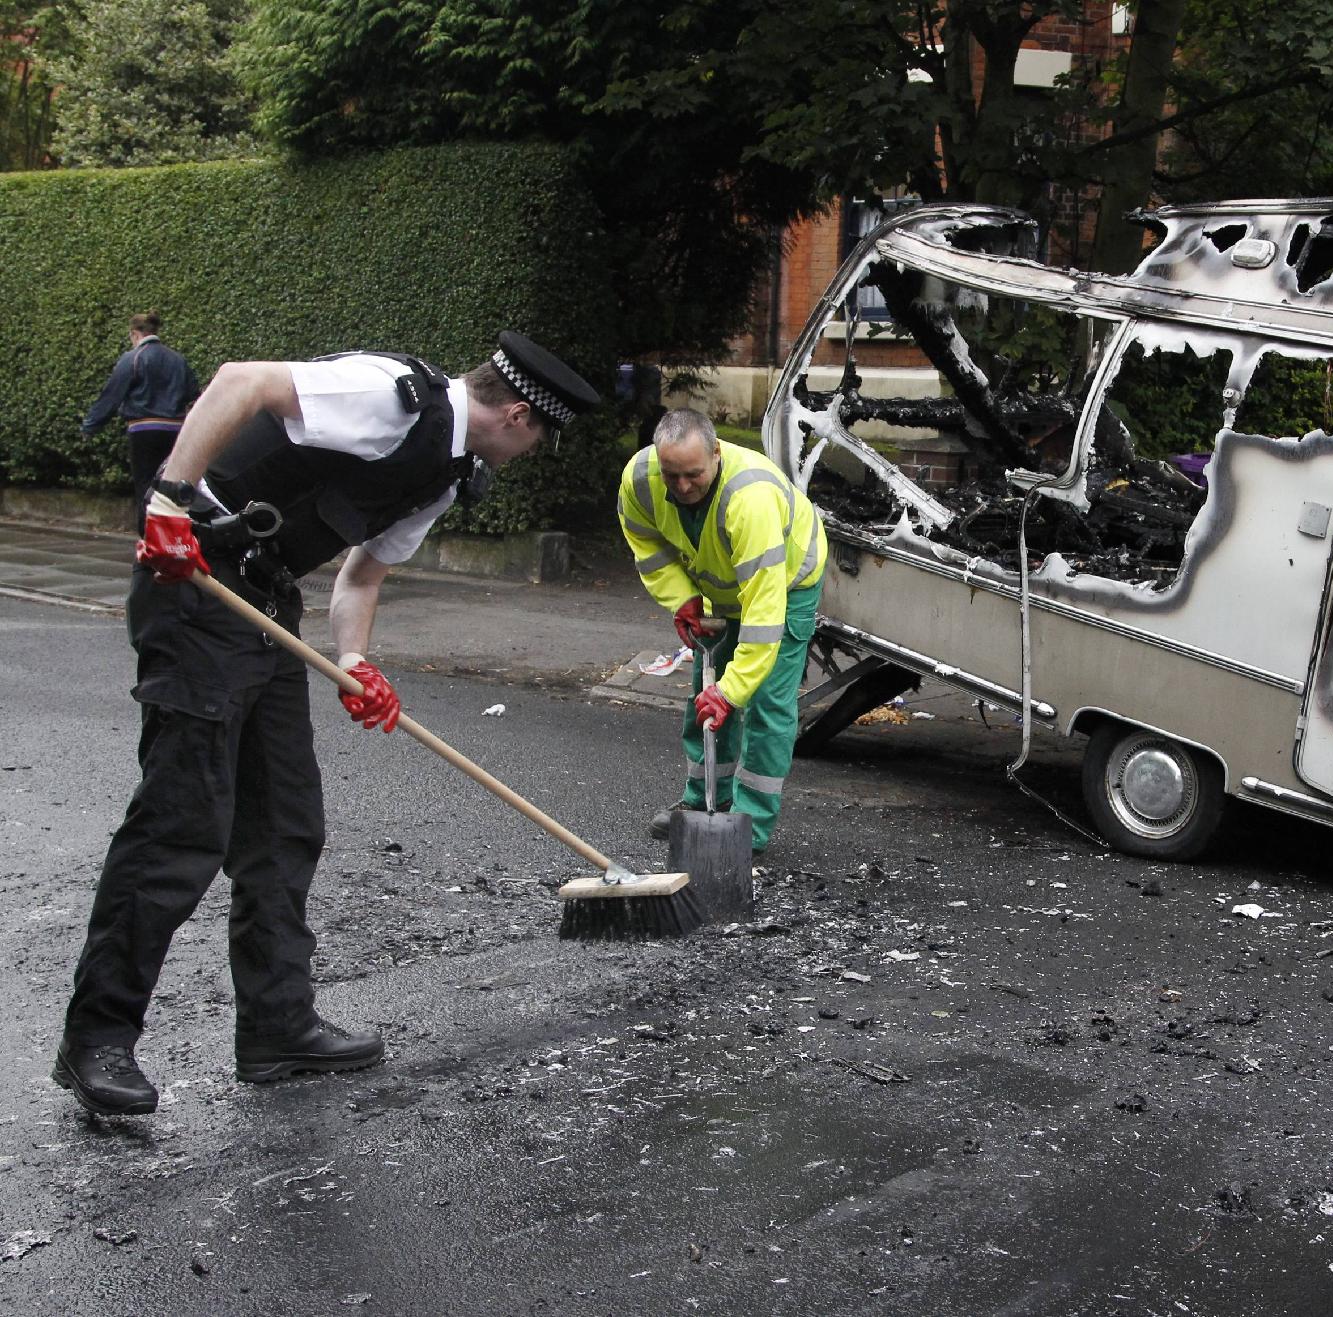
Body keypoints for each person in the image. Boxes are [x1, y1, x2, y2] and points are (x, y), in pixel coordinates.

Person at [52, 332, 600, 1118]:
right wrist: (170, 499)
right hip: (195, 577)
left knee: (284, 823)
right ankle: (96, 1037)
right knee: (182, 820)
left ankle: (277, 1027)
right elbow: (240, 380)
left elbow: (362, 574)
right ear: (517, 416)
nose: (532, 450)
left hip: (265, 602)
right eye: (539, 437)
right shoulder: (390, 395)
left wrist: (357, 660)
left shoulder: (444, 474)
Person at [618, 408, 824, 855]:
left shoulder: (749, 498)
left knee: (765, 702)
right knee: (705, 698)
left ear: (716, 453)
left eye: (694, 475)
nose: (683, 487)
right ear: (657, 459)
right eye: (673, 476)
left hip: (785, 584)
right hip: (720, 583)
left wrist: (733, 690)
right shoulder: (639, 480)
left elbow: (764, 616)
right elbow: (646, 544)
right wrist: (682, 597)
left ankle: (748, 829)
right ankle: (702, 803)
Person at [81, 312, 201, 521]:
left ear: (135, 334)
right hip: (175, 429)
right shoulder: (177, 359)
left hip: (143, 430)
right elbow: (193, 395)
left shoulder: (133, 358)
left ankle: (148, 533)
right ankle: (174, 532)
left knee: (145, 484)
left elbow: (111, 396)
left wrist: (90, 426)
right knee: (170, 483)